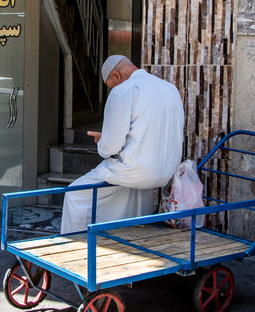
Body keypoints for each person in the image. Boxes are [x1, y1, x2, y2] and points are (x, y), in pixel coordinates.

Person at [60, 55, 185, 234]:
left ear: (117, 76)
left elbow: (109, 148)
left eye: (111, 85)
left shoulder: (124, 91)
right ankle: (123, 237)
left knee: (74, 194)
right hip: (165, 174)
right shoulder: (170, 88)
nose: (112, 90)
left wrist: (102, 141)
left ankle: (72, 248)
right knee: (128, 192)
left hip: (135, 172)